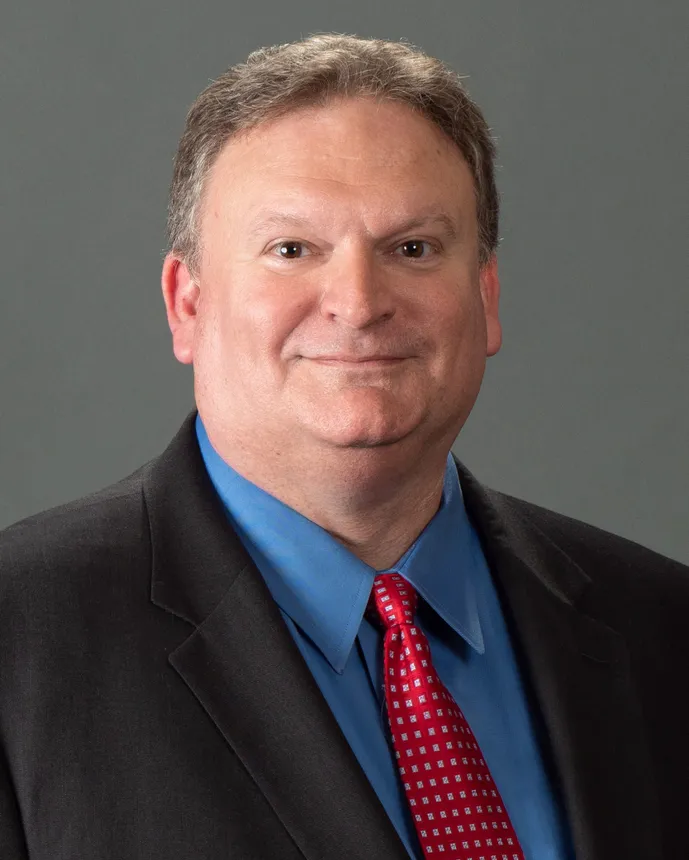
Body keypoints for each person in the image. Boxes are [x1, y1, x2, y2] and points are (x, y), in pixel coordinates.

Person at [0, 33, 686, 860]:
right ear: (188, 304)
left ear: (485, 296)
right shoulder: (21, 642)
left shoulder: (661, 628)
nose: (358, 303)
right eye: (292, 250)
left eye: (413, 249)